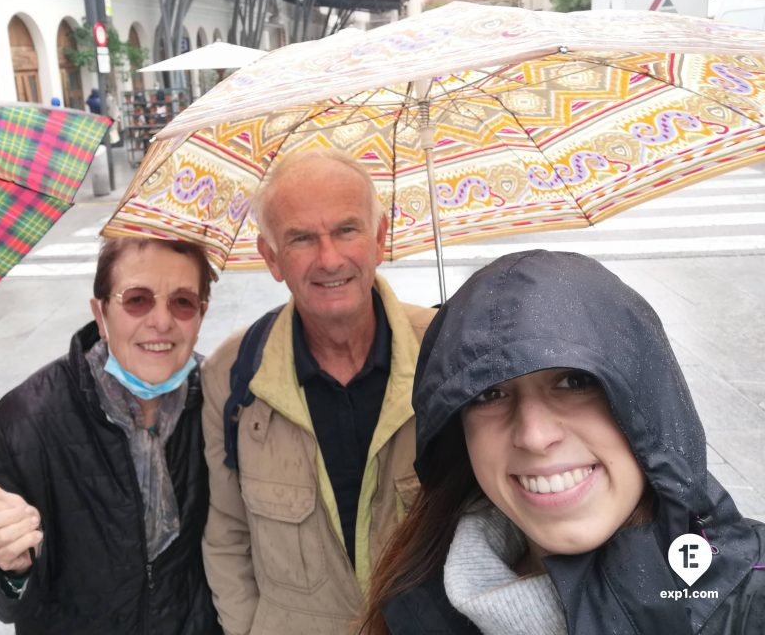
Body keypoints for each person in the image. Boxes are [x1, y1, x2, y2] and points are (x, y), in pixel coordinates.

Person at [363, 250, 765, 635]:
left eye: (575, 381)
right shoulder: (416, 601)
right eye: (489, 393)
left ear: (649, 399)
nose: (535, 436)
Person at [201, 150, 437, 634]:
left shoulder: (443, 349)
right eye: (302, 238)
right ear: (271, 258)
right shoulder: (232, 373)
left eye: (347, 230)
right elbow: (227, 536)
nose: (329, 259)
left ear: (379, 238)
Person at [0, 237, 223, 634]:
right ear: (100, 314)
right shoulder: (29, 418)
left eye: (183, 302)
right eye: (137, 300)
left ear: (201, 315)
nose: (161, 321)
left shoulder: (221, 401)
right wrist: (10, 566)